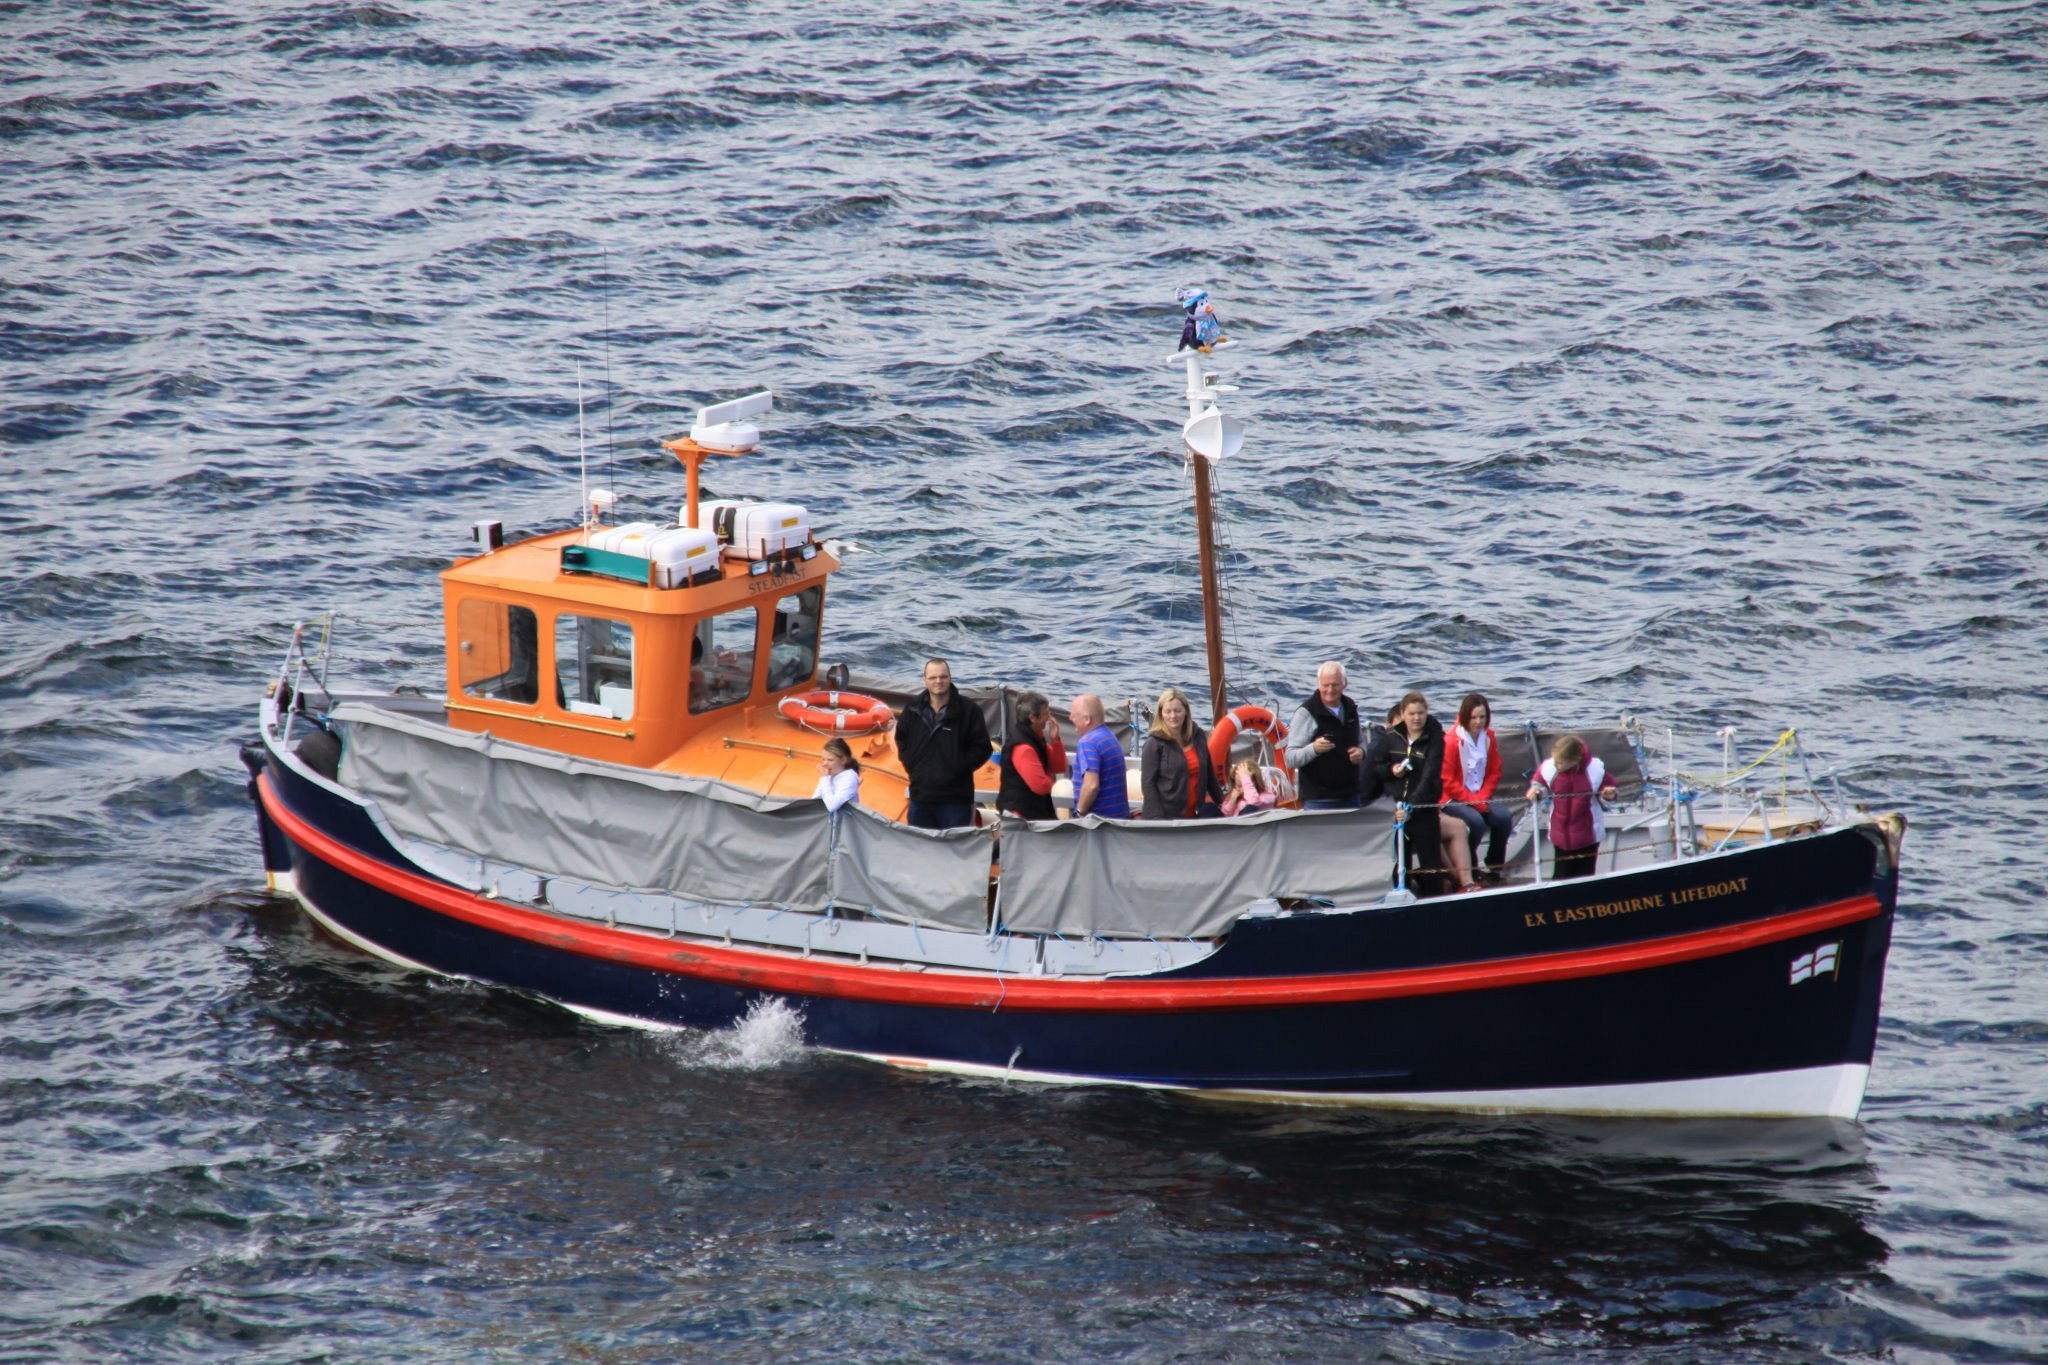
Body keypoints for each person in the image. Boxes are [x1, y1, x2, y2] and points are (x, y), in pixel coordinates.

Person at [895, 657, 993, 830]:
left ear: (950, 678)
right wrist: (913, 764)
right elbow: (901, 739)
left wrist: (958, 768)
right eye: (933, 677)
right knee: (921, 848)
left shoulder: (969, 710)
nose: (938, 681)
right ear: (925, 680)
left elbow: (982, 747)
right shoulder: (912, 709)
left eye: (943, 676)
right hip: (921, 797)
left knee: (955, 851)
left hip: (955, 799)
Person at [1378, 690, 1450, 895]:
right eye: (1411, 714)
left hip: (1423, 810)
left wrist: (1412, 805)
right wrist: (1391, 771)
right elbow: (1378, 768)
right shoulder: (1392, 738)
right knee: (1400, 864)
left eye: (1420, 713)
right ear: (1403, 714)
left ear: (1426, 713)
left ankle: (1435, 902)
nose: (1416, 718)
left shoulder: (1435, 738)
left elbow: (1430, 776)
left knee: (1431, 865)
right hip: (1397, 811)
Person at [1441, 692, 1515, 884]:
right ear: (1465, 716)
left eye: (1482, 717)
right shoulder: (1451, 741)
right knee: (1476, 823)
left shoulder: (1489, 737)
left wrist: (1482, 797)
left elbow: (1494, 771)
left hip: (1480, 795)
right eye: (1474, 717)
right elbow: (1447, 780)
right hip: (1453, 798)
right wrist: (1474, 802)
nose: (1478, 722)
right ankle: (1470, 866)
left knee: (1503, 818)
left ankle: (1494, 865)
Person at [1526, 734, 1618, 880]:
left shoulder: (1595, 771)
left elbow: (1609, 792)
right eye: (1555, 761)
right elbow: (1540, 783)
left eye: (1560, 763)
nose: (1556, 765)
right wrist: (1536, 792)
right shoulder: (1549, 768)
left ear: (1574, 761)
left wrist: (1609, 796)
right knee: (1561, 877)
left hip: (1587, 836)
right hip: (1560, 835)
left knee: (1585, 877)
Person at [1284, 661, 1364, 811]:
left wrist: (1362, 752)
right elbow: (1290, 759)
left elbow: (1361, 742)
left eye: (1335, 685)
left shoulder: (1351, 708)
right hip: (1319, 800)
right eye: (1325, 685)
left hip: (1351, 796)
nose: (1330, 690)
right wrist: (1314, 749)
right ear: (1318, 684)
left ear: (1345, 683)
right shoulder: (1306, 713)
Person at [1140, 687, 1224, 820]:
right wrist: (1158, 821)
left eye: (1178, 710)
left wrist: (1223, 803)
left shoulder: (1199, 736)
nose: (1173, 716)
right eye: (1168, 711)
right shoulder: (1153, 744)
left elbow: (1210, 776)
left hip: (1195, 816)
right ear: (1161, 714)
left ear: (1186, 711)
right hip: (1166, 818)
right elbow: (1148, 785)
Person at [996, 691, 1067, 820]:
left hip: (1036, 810)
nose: (1049, 718)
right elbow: (1040, 785)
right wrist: (1061, 788)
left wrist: (1055, 741)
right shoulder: (1023, 748)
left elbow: (1058, 767)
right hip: (1021, 816)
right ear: (1033, 717)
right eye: (1046, 714)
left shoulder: (1035, 738)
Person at [1068, 693, 1130, 820]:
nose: (1070, 718)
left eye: (1074, 715)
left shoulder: (1088, 742)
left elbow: (1091, 786)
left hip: (1098, 825)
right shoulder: (1110, 737)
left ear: (1087, 719)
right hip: (1119, 821)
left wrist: (1079, 814)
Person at [813, 737, 861, 813]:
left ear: (843, 760)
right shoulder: (828, 776)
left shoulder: (850, 778)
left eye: (830, 760)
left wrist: (824, 779)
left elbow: (832, 806)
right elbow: (815, 799)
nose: (825, 764)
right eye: (823, 759)